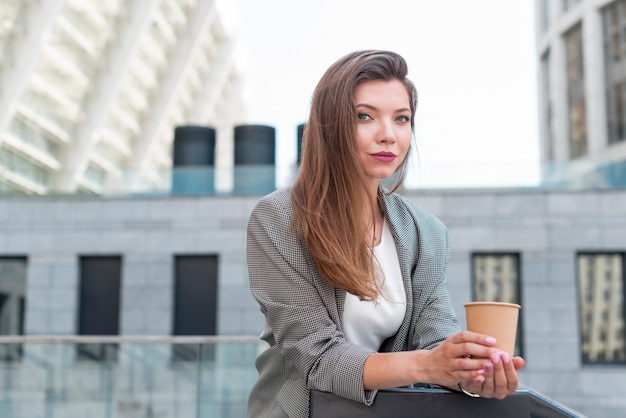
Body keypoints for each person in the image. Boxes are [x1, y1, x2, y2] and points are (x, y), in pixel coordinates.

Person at [246, 50, 525, 418]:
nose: (388, 135)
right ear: (331, 126)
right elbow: (316, 356)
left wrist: (469, 373)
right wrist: (427, 366)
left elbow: (435, 336)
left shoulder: (426, 232)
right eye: (365, 117)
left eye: (402, 119)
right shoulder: (279, 218)